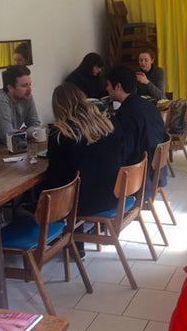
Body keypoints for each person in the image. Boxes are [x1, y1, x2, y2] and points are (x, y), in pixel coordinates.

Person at [41, 83, 124, 258]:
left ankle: (65, 239)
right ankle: (75, 242)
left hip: (82, 202)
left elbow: (56, 176)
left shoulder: (61, 133)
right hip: (112, 194)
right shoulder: (106, 123)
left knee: (48, 191)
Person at [106, 66, 168, 169]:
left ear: (118, 86)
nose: (106, 88)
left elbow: (124, 153)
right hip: (156, 169)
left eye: (108, 85)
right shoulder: (150, 106)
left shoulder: (127, 114)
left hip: (141, 174)